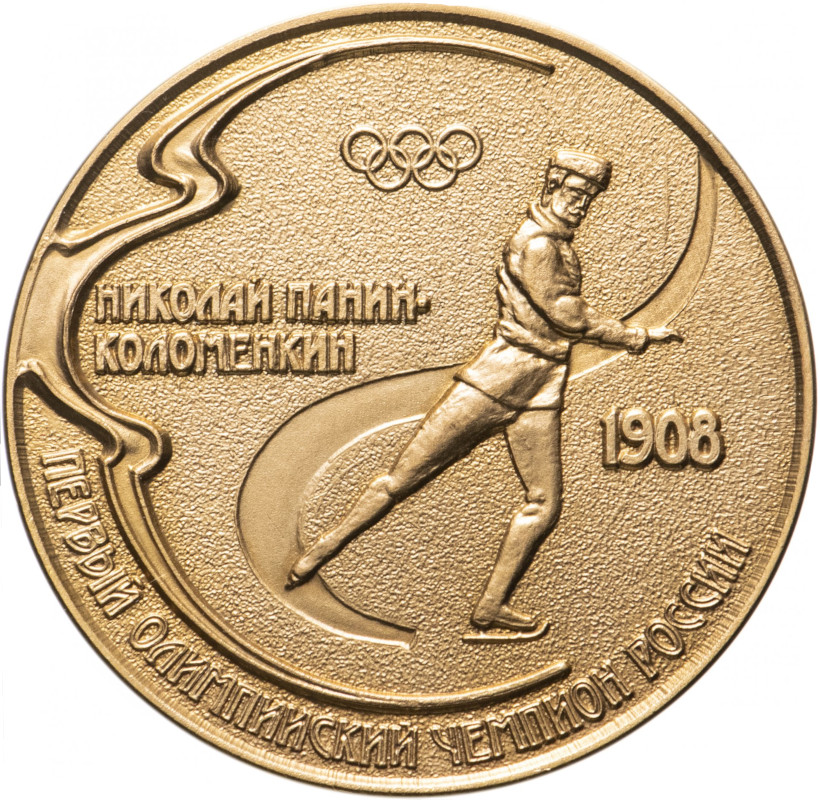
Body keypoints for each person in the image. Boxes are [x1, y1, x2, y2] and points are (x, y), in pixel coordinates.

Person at [286, 149, 678, 633]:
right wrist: (633, 336)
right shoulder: (538, 244)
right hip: (499, 378)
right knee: (402, 479)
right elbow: (568, 316)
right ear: (552, 186)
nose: (582, 205)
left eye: (590, 198)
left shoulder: (558, 244)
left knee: (544, 503)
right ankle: (319, 553)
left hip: (542, 383)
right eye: (576, 193)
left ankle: (490, 607)